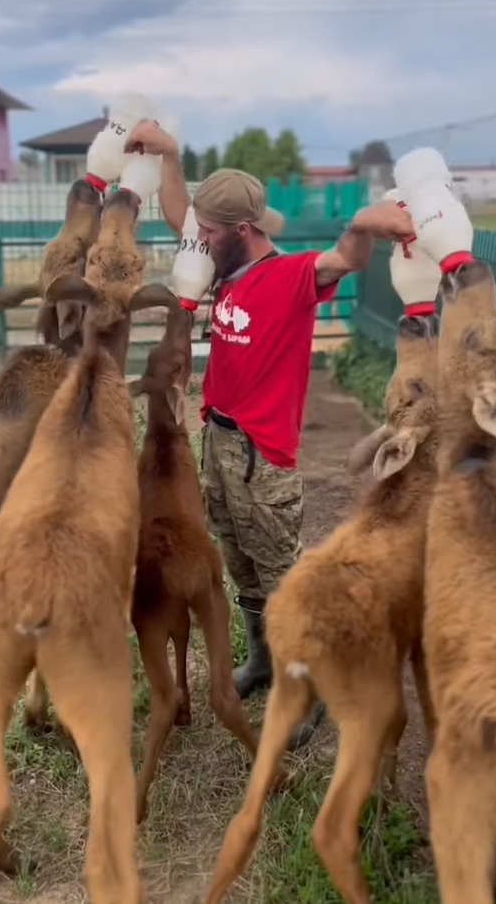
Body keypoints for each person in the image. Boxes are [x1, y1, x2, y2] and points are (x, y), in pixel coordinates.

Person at [126, 121, 413, 746]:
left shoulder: (291, 278)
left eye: (208, 232)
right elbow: (181, 213)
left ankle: (306, 687)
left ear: (242, 232)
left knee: (283, 574)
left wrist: (365, 220)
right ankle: (262, 660)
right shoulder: (219, 262)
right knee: (241, 565)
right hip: (218, 441)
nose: (195, 240)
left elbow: (347, 257)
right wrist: (170, 154)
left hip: (263, 455)